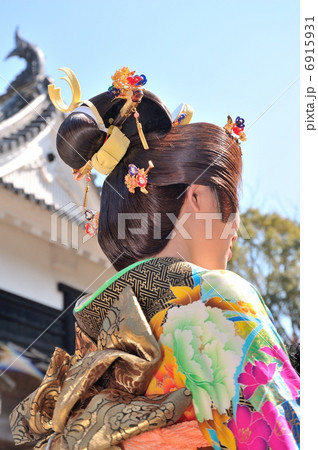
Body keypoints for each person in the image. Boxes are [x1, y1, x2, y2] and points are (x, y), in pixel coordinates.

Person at [10, 67, 300, 449]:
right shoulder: (215, 297)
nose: (234, 228)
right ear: (196, 198)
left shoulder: (96, 343)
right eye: (230, 205)